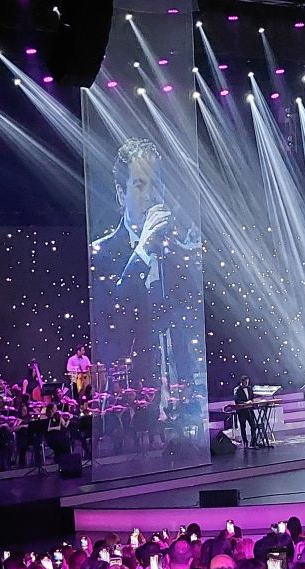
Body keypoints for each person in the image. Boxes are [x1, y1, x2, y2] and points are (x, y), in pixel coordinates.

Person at [90, 138, 204, 396]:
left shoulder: (179, 253)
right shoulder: (101, 254)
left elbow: (189, 320)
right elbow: (115, 317)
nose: (150, 196)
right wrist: (143, 250)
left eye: (156, 185)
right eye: (140, 186)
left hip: (180, 389)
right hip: (132, 390)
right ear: (121, 194)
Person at [233, 375, 258, 448]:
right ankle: (245, 442)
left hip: (250, 409)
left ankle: (253, 442)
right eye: (245, 382)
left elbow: (252, 397)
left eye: (248, 382)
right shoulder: (237, 389)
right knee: (243, 427)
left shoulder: (250, 388)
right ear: (242, 381)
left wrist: (253, 401)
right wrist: (245, 403)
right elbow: (237, 400)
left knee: (253, 425)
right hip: (242, 411)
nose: (247, 383)